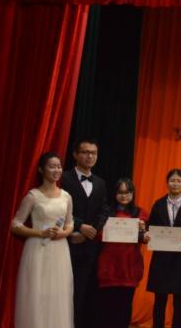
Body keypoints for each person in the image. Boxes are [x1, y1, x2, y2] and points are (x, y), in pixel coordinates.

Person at [11, 152, 75, 328]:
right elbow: (15, 224)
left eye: (59, 166)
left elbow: (70, 223)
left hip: (60, 250)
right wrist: (40, 233)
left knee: (58, 293)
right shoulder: (33, 196)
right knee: (37, 292)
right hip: (37, 249)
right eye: (52, 166)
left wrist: (64, 233)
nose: (56, 170)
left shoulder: (66, 196)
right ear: (41, 169)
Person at [61, 138, 109, 328]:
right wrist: (79, 226)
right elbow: (59, 208)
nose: (90, 156)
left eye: (93, 153)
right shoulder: (64, 178)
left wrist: (92, 231)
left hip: (91, 247)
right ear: (75, 154)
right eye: (85, 152)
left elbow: (104, 211)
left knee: (85, 292)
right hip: (66, 242)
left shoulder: (100, 182)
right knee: (65, 289)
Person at [146, 168, 181, 328]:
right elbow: (151, 225)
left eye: (179, 181)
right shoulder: (158, 204)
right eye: (172, 180)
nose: (175, 184)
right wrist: (147, 232)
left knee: (179, 299)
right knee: (160, 299)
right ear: (167, 183)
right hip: (161, 258)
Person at [96, 178, 148, 328]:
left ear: (133, 194)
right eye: (120, 192)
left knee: (125, 307)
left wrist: (143, 231)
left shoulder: (140, 213)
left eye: (127, 192)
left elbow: (144, 238)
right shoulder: (106, 212)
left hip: (129, 266)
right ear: (115, 194)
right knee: (107, 308)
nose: (124, 195)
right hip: (109, 266)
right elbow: (97, 236)